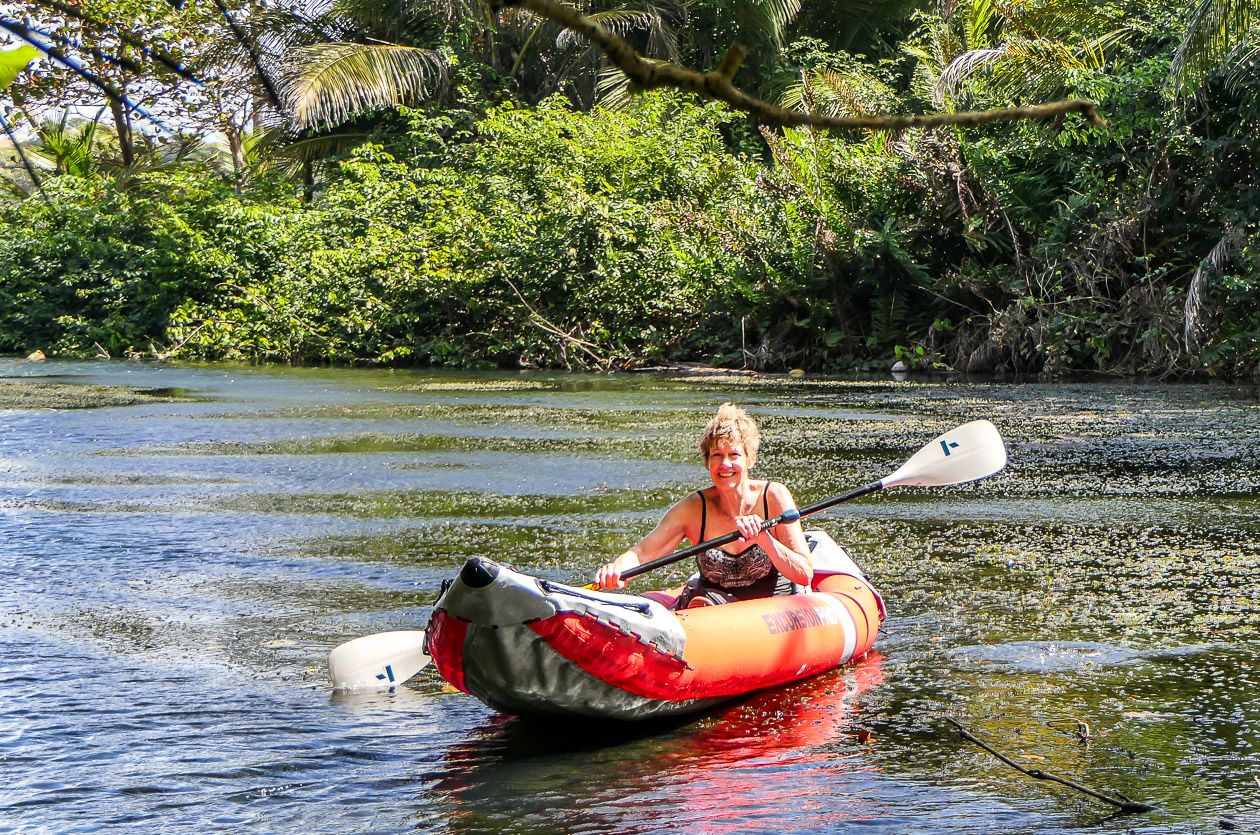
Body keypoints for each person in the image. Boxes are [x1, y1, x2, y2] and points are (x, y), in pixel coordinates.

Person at [593, 403, 813, 607]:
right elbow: (643, 553)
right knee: (702, 601)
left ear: (749, 459)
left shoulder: (773, 496)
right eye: (717, 455)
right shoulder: (694, 508)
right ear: (708, 461)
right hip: (712, 602)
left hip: (772, 606)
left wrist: (763, 538)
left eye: (734, 454)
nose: (725, 464)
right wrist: (617, 569)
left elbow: (804, 573)